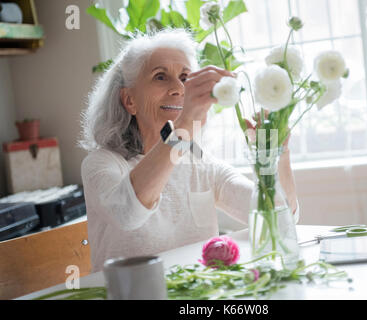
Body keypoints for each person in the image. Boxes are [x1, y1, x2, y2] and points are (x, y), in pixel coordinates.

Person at [79, 29, 299, 272]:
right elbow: (128, 213)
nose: (178, 89)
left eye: (185, 77)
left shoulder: (198, 161)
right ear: (129, 100)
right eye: (160, 77)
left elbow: (279, 219)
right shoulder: (102, 164)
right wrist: (183, 128)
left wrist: (276, 154)